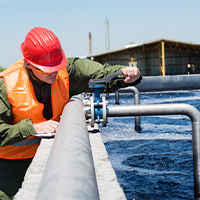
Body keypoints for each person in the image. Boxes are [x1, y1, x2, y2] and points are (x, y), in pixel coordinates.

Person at [0, 27, 142, 200]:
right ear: (29, 65)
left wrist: (125, 73)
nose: (53, 72)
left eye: (56, 66)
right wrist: (32, 127)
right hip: (9, 169)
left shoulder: (67, 70)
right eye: (46, 69)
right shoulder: (6, 85)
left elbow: (100, 74)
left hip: (54, 159)